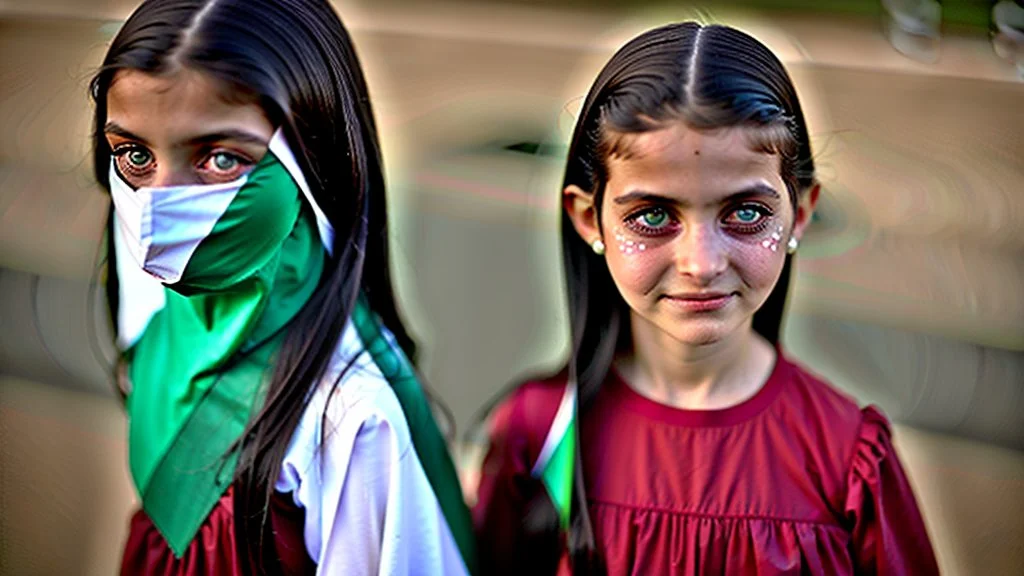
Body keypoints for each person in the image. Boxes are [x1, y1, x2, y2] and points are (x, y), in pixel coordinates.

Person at [473, 21, 938, 575]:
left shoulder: (847, 461)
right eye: (652, 216)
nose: (701, 263)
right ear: (587, 218)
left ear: (802, 213)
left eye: (745, 213)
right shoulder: (538, 434)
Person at [91, 0, 475, 573]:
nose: (156, 205)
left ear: (310, 160)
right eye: (134, 154)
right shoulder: (150, 291)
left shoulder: (351, 416)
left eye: (220, 158)